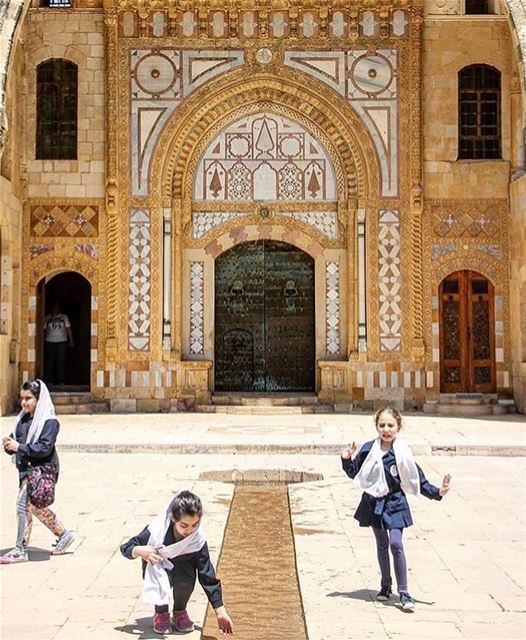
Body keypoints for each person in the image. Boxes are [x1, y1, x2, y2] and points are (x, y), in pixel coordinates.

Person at [341, 406, 451, 611]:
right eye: (382, 425)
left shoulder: (402, 453)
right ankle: (385, 586)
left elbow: (417, 479)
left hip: (395, 503)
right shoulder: (368, 449)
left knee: (396, 544)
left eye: (390, 425)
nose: (386, 429)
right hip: (374, 503)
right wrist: (346, 458)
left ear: (398, 427)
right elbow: (354, 472)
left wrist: (438, 492)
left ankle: (404, 592)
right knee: (382, 544)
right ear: (377, 426)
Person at [121, 490, 234, 635]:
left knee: (185, 581)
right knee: (161, 577)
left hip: (183, 570)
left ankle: (180, 611)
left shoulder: (197, 540)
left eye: (195, 525)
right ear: (173, 519)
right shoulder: (156, 531)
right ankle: (161, 613)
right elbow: (126, 547)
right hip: (159, 567)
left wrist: (220, 611)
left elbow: (207, 575)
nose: (190, 530)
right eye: (184, 525)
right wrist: (140, 551)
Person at [1, 379, 75, 564]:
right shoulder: (22, 419)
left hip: (41, 470)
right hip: (26, 469)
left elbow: (44, 448)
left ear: (39, 399)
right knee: (34, 507)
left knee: (22, 505)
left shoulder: (49, 422)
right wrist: (9, 445)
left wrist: (19, 447)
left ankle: (20, 549)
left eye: (29, 398)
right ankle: (64, 535)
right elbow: (16, 440)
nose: (24, 402)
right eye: (22, 398)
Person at [43, 301, 74, 385]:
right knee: (50, 361)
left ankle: (61, 380)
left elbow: (68, 328)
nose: (55, 309)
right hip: (50, 341)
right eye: (53, 307)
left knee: (61, 361)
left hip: (62, 341)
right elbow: (43, 330)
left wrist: (71, 340)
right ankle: (49, 380)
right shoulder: (47, 318)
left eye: (56, 307)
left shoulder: (64, 317)